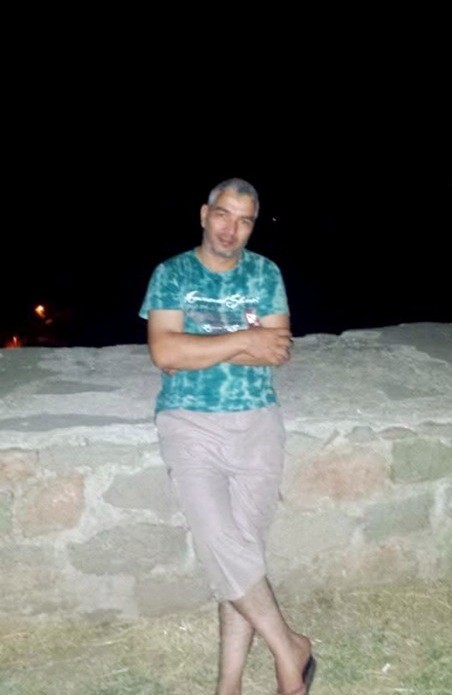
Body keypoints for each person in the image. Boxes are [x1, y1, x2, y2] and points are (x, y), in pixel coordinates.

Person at [139, 178, 316, 695]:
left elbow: (276, 350)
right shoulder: (171, 274)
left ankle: (229, 683)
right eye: (222, 214)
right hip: (189, 422)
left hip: (257, 421)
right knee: (222, 543)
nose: (230, 229)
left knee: (242, 554)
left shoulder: (265, 273)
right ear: (204, 214)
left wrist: (201, 346)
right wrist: (244, 339)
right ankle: (290, 648)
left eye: (244, 221)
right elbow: (164, 352)